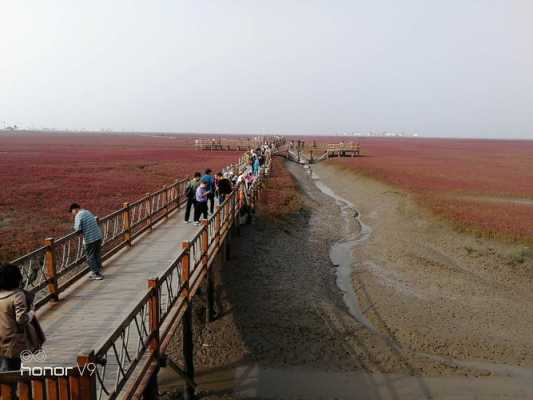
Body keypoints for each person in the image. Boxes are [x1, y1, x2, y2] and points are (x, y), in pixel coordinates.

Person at [0, 263, 41, 373]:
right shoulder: (17, 295)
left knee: (3, 368)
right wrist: (31, 312)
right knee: (11, 371)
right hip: (13, 341)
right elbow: (21, 319)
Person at [69, 203, 104, 280]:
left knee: (90, 257)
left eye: (72, 211)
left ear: (75, 209)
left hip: (90, 239)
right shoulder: (87, 211)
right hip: (98, 236)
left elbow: (78, 229)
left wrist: (74, 228)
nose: (72, 213)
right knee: (96, 254)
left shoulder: (78, 215)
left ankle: (96, 274)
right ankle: (98, 271)